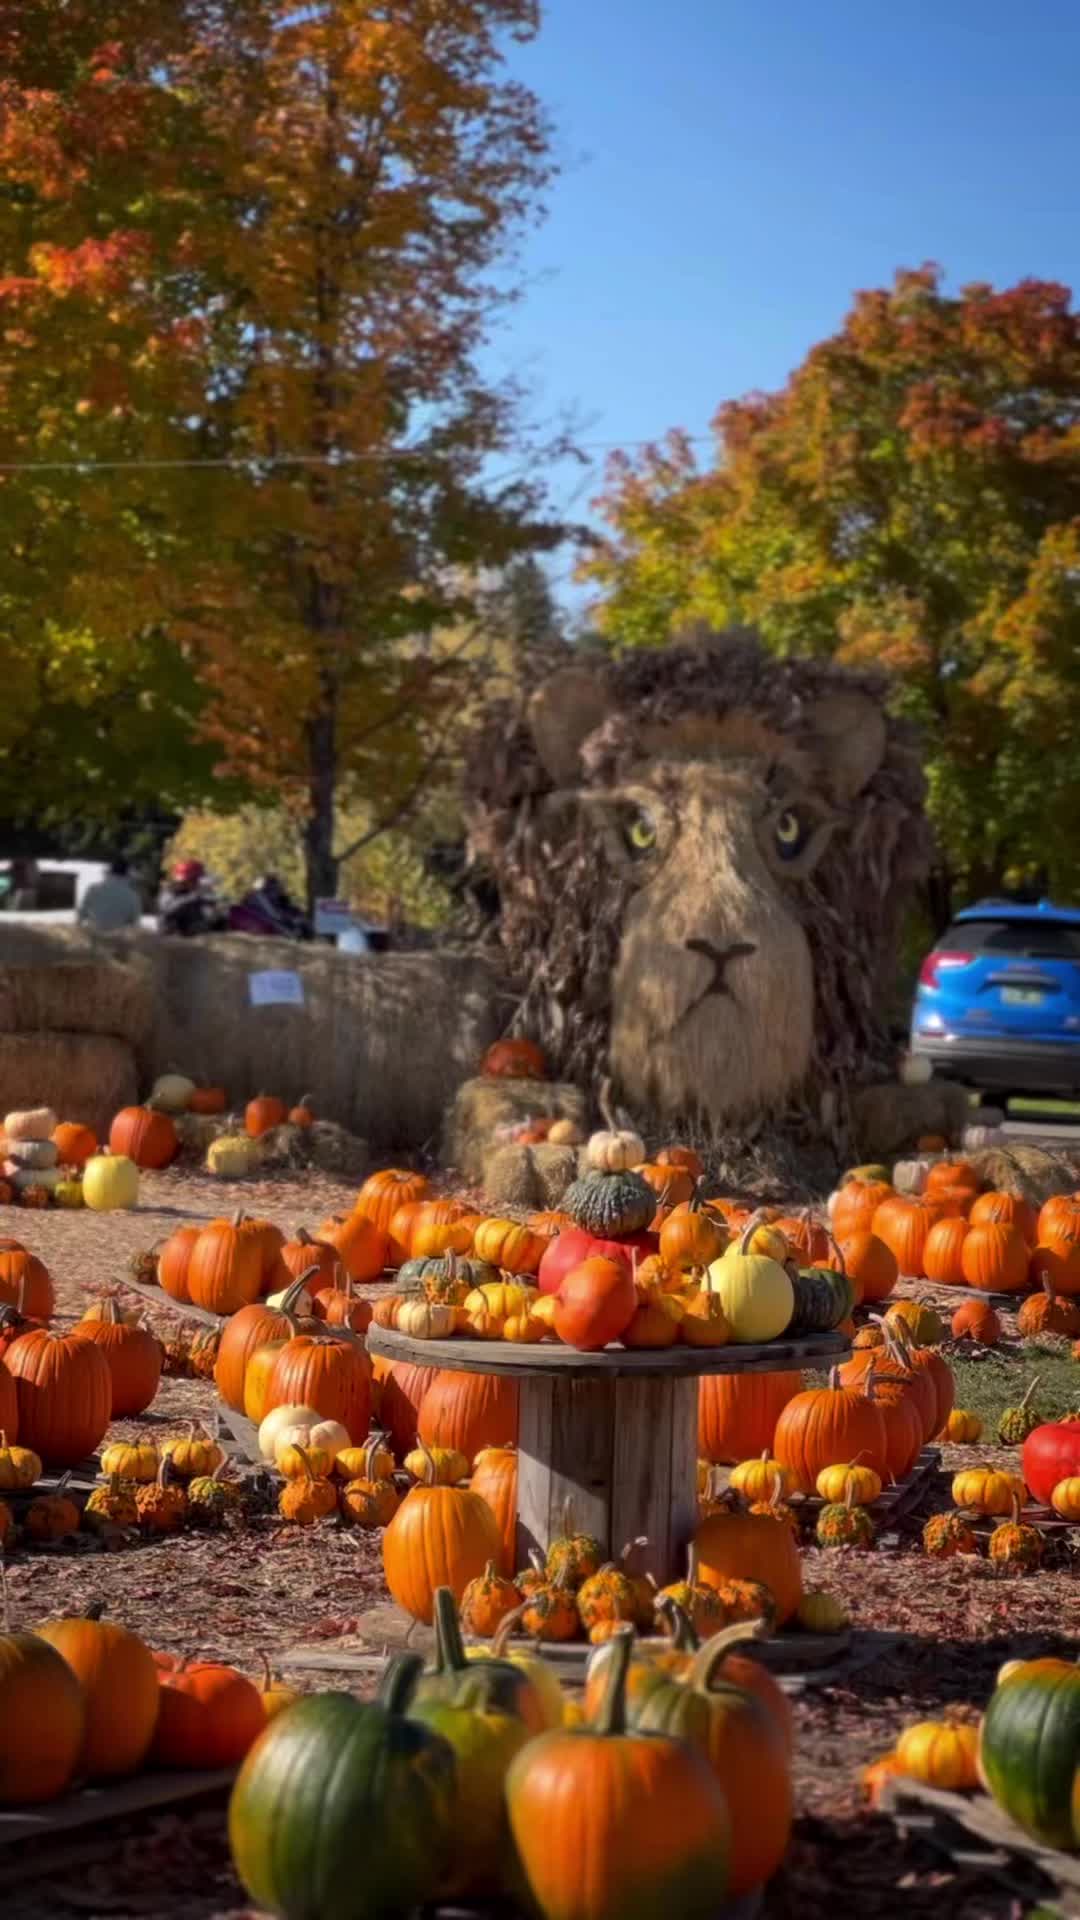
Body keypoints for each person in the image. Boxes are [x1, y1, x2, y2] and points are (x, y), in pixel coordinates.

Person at [157, 859, 222, 937]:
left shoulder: (195, 895)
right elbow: (169, 910)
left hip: (193, 940)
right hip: (170, 941)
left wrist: (217, 913)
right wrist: (196, 896)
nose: (198, 883)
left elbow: (207, 916)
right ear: (189, 880)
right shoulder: (170, 892)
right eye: (196, 880)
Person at [77, 858, 142, 933]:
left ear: (109, 873)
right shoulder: (133, 896)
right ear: (128, 876)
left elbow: (81, 916)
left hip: (94, 935)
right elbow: (135, 924)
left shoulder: (93, 889)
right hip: (118, 939)